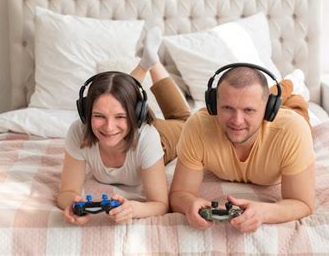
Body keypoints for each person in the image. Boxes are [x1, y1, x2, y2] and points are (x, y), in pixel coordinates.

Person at [57, 27, 190, 225]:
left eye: (120, 116)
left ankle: (152, 63)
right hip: (130, 127)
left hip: (159, 139)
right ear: (86, 114)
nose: (109, 127)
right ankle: (144, 63)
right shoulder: (79, 131)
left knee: (183, 120)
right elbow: (66, 193)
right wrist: (72, 203)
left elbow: (161, 204)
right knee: (119, 94)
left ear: (136, 115)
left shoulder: (148, 137)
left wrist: (134, 208)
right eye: (99, 116)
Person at [169, 63, 315, 233]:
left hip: (290, 113)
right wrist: (189, 205)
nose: (237, 121)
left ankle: (292, 82)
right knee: (256, 97)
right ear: (213, 104)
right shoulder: (197, 127)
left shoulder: (292, 129)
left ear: (268, 110)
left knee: (296, 104)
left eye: (249, 110)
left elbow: (302, 203)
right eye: (227, 108)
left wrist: (265, 212)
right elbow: (179, 194)